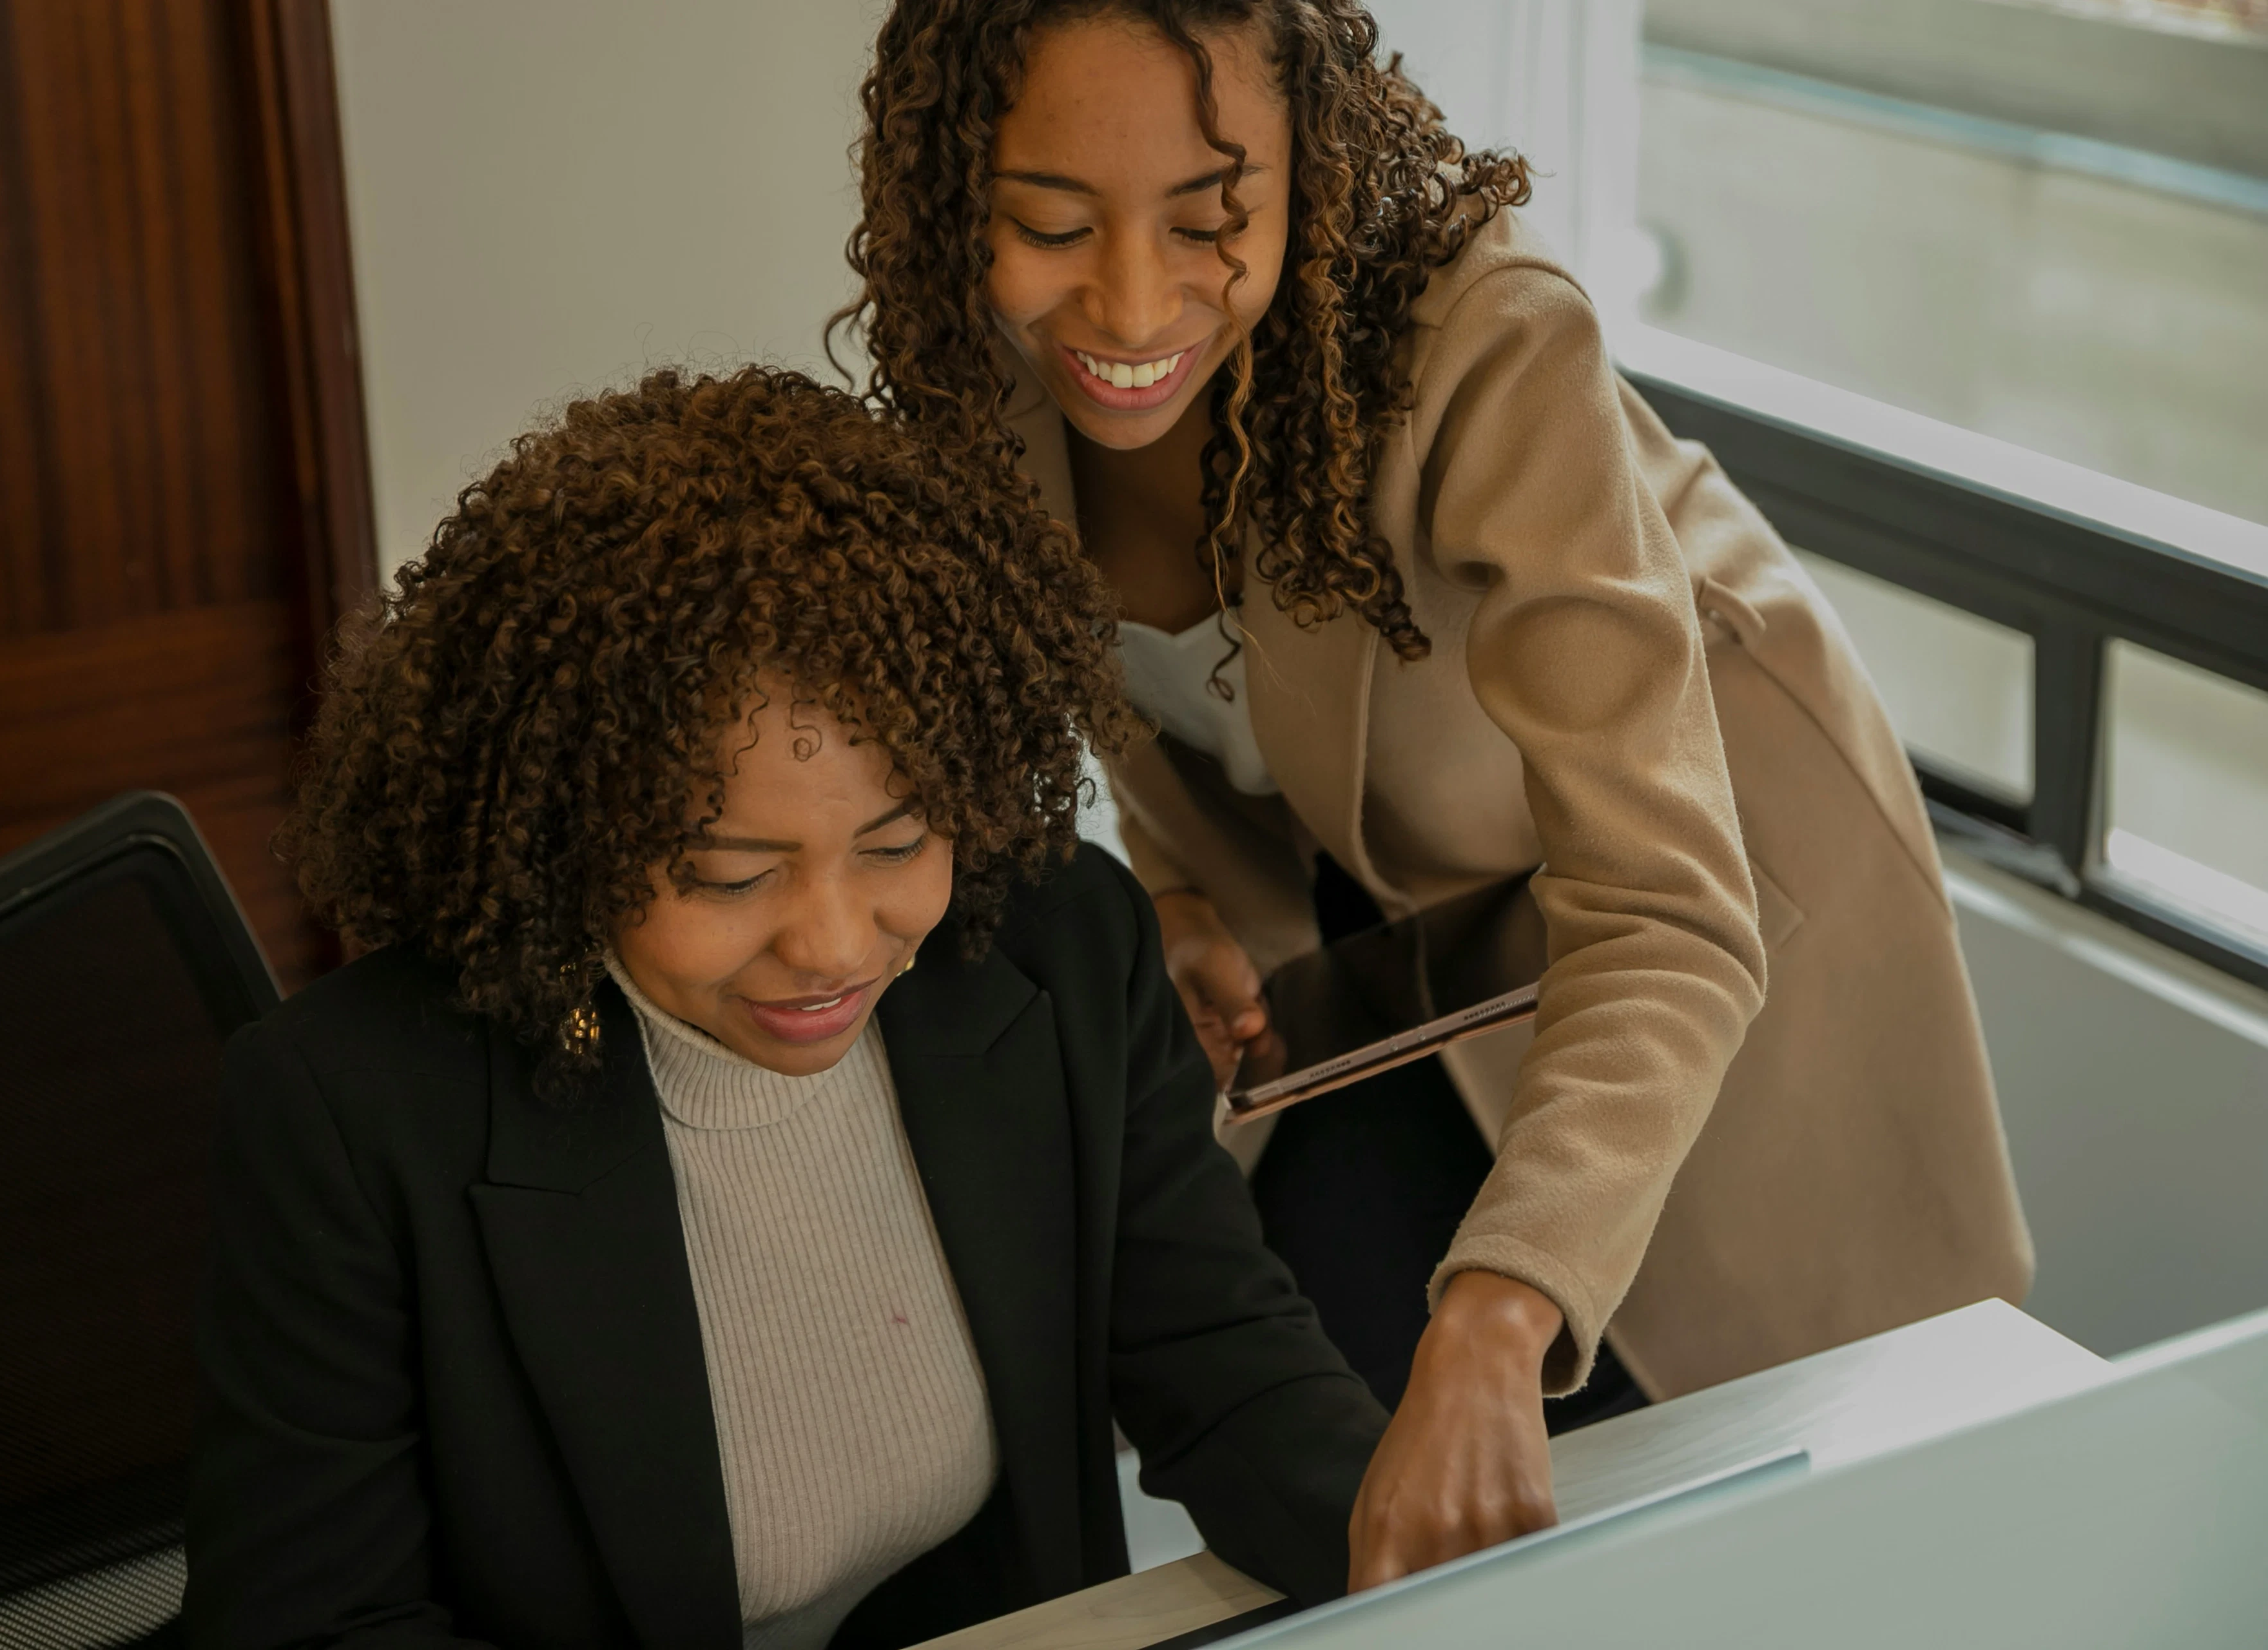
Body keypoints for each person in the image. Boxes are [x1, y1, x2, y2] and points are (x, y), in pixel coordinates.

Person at [833, 0, 2035, 1589]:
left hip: (1691, 871)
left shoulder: (1485, 345)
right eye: (1050, 222)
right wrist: (1184, 899)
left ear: (1309, 176)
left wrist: (1500, 1304)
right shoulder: (968, 365)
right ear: (955, 193)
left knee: (1777, 1503)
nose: (1126, 300)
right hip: (1380, 934)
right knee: (1360, 1456)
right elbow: (1146, 698)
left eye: (1213, 220)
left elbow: (1665, 904)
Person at [181, 368, 1390, 1650]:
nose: (829, 944)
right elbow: (313, 1626)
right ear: (567, 834)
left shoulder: (1061, 950)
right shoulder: (353, 1109)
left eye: (897, 840)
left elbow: (1223, 1357)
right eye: (726, 873)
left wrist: (1439, 1559)